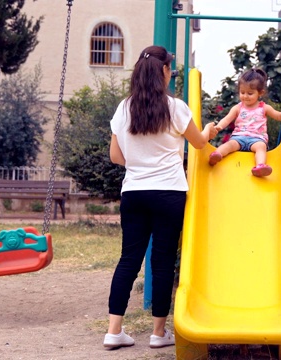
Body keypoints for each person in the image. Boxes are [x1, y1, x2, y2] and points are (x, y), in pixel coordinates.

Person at [104, 45, 217, 350]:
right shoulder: (176, 108)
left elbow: (116, 156)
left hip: (134, 192)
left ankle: (114, 330)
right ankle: (158, 333)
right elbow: (198, 144)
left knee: (129, 259)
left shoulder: (123, 109)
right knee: (163, 260)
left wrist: (141, 162)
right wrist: (207, 130)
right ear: (165, 71)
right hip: (169, 192)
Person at [208, 68, 281, 177]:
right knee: (229, 145)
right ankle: (217, 155)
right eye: (242, 92)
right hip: (239, 137)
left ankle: (260, 166)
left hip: (257, 138)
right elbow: (227, 118)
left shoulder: (264, 108)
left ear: (260, 93)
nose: (245, 96)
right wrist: (219, 126)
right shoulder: (238, 108)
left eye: (250, 93)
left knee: (261, 147)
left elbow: (277, 116)